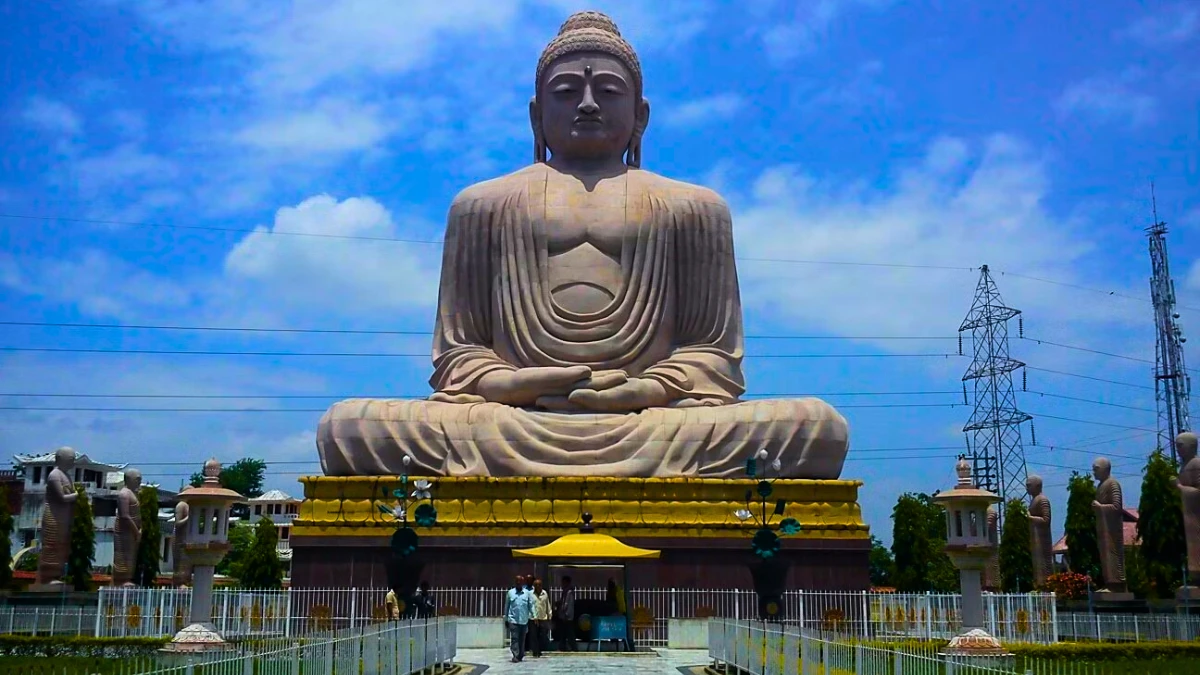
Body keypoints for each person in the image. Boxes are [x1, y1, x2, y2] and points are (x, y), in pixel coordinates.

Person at [505, 575, 533, 662]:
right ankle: (515, 655)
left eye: (520, 581)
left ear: (522, 582)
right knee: (514, 638)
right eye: (517, 581)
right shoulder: (510, 593)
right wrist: (506, 619)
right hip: (513, 620)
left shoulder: (527, 593)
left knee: (522, 639)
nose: (518, 583)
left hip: (523, 620)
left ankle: (520, 654)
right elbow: (507, 607)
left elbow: (531, 605)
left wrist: (534, 615)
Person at [530, 578, 551, 657]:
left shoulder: (545, 593)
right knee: (534, 636)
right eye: (536, 585)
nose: (538, 586)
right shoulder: (530, 594)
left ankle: (540, 649)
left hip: (543, 618)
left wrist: (549, 614)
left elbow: (547, 604)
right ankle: (536, 652)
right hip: (533, 618)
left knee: (543, 635)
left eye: (539, 585)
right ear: (534, 586)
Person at [554, 575, 577, 651]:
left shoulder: (569, 592)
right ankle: (563, 646)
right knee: (564, 632)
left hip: (567, 616)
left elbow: (568, 604)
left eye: (563, 582)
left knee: (569, 632)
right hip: (564, 616)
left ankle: (573, 647)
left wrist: (566, 614)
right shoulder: (565, 591)